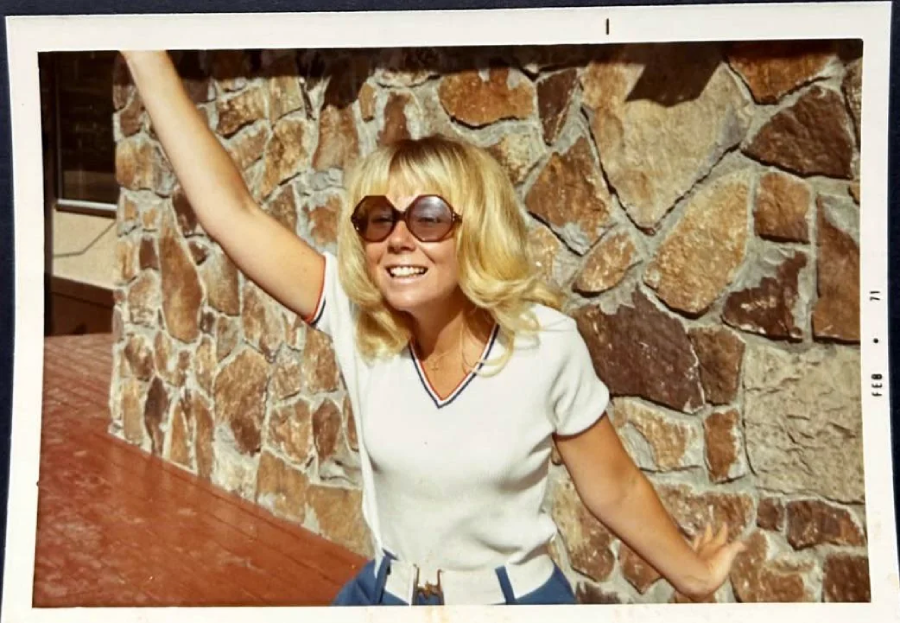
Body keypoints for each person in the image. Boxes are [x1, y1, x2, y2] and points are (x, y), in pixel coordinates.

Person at [122, 50, 747, 606]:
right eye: (377, 218)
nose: (397, 237)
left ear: (474, 229)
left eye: (427, 216)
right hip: (387, 597)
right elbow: (232, 213)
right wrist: (140, 45)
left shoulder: (545, 344)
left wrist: (691, 574)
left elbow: (613, 487)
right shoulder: (361, 321)